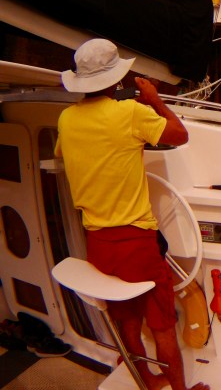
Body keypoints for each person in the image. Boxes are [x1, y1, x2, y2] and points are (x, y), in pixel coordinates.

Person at [55, 39, 208, 390]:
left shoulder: (66, 118)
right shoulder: (131, 114)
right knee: (162, 324)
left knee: (126, 319)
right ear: (117, 79)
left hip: (97, 243)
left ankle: (148, 380)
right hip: (137, 244)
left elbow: (69, 153)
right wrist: (155, 101)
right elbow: (180, 135)